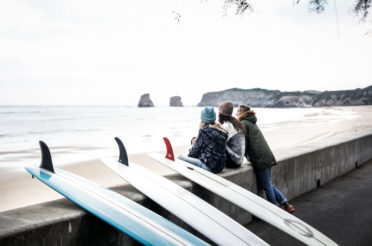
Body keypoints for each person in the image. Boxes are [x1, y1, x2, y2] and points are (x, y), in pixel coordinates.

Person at [237, 104, 295, 213]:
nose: (236, 114)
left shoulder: (244, 123)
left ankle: (274, 211)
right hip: (266, 156)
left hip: (260, 158)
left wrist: (238, 158)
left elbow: (243, 143)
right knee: (268, 183)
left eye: (237, 112)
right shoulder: (251, 122)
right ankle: (286, 204)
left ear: (241, 113)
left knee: (267, 186)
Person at [178, 106, 228, 174]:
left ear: (203, 119)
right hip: (220, 167)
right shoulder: (223, 132)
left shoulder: (204, 131)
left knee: (179, 157)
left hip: (209, 167)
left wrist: (193, 145)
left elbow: (193, 153)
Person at [218, 101, 246, 168]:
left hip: (233, 162)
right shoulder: (236, 123)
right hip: (239, 160)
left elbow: (219, 144)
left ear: (221, 113)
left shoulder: (226, 126)